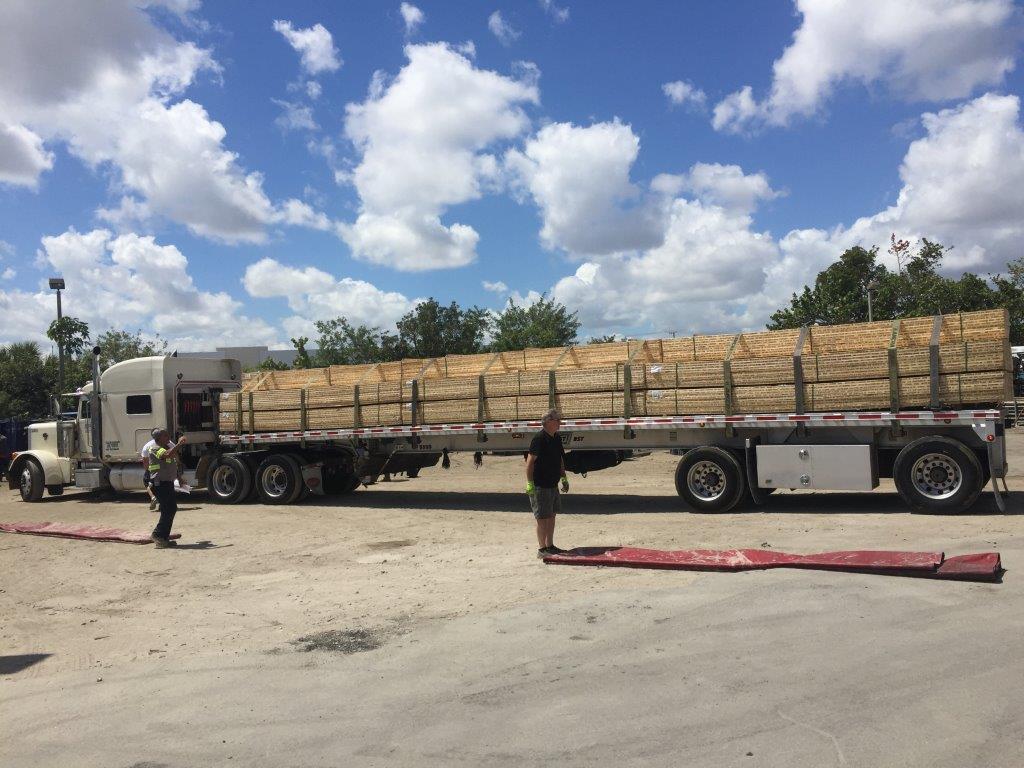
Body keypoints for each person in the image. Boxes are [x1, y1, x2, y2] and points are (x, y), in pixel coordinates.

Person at [525, 408, 570, 558]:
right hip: (540, 486)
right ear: (549, 422)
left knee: (551, 516)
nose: (560, 422)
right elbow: (530, 463)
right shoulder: (539, 439)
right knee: (542, 519)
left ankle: (550, 545)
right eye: (557, 420)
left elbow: (560, 460)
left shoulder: (556, 438)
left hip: (552, 484)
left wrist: (564, 478)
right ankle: (542, 549)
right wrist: (530, 483)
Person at [148, 429, 187, 548]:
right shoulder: (155, 448)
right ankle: (157, 535)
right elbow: (167, 455)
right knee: (168, 509)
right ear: (158, 438)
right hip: (159, 484)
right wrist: (179, 444)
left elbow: (171, 465)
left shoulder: (166, 448)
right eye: (165, 435)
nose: (168, 437)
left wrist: (179, 478)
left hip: (167, 483)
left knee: (171, 508)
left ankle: (163, 537)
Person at [140, 431, 159, 511]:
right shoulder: (167, 443)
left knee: (147, 483)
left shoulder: (147, 446)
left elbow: (145, 461)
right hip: (165, 469)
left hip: (152, 469)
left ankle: (153, 497)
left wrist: (147, 471)